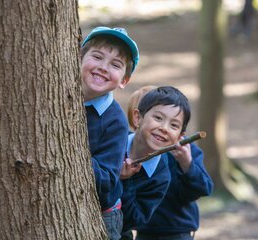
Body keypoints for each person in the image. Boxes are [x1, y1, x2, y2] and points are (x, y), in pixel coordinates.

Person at [123, 86, 214, 240]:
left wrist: (187, 163)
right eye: (157, 118)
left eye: (172, 123)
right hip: (145, 231)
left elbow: (203, 188)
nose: (162, 128)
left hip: (177, 230)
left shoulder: (184, 150)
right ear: (137, 119)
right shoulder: (127, 147)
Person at [80, 26, 139, 240]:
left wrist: (72, 155)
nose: (104, 67)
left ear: (124, 80)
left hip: (103, 214)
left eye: (115, 65)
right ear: (78, 59)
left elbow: (107, 181)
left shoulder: (115, 121)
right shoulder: (55, 95)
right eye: (97, 57)